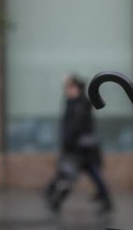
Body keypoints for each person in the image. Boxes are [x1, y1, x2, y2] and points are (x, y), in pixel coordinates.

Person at [45, 75, 113, 214]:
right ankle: (55, 200)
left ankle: (55, 200)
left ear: (76, 88)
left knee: (71, 175)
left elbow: (75, 126)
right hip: (79, 149)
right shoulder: (72, 102)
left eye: (69, 87)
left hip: (81, 149)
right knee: (80, 175)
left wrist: (67, 142)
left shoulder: (80, 104)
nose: (66, 90)